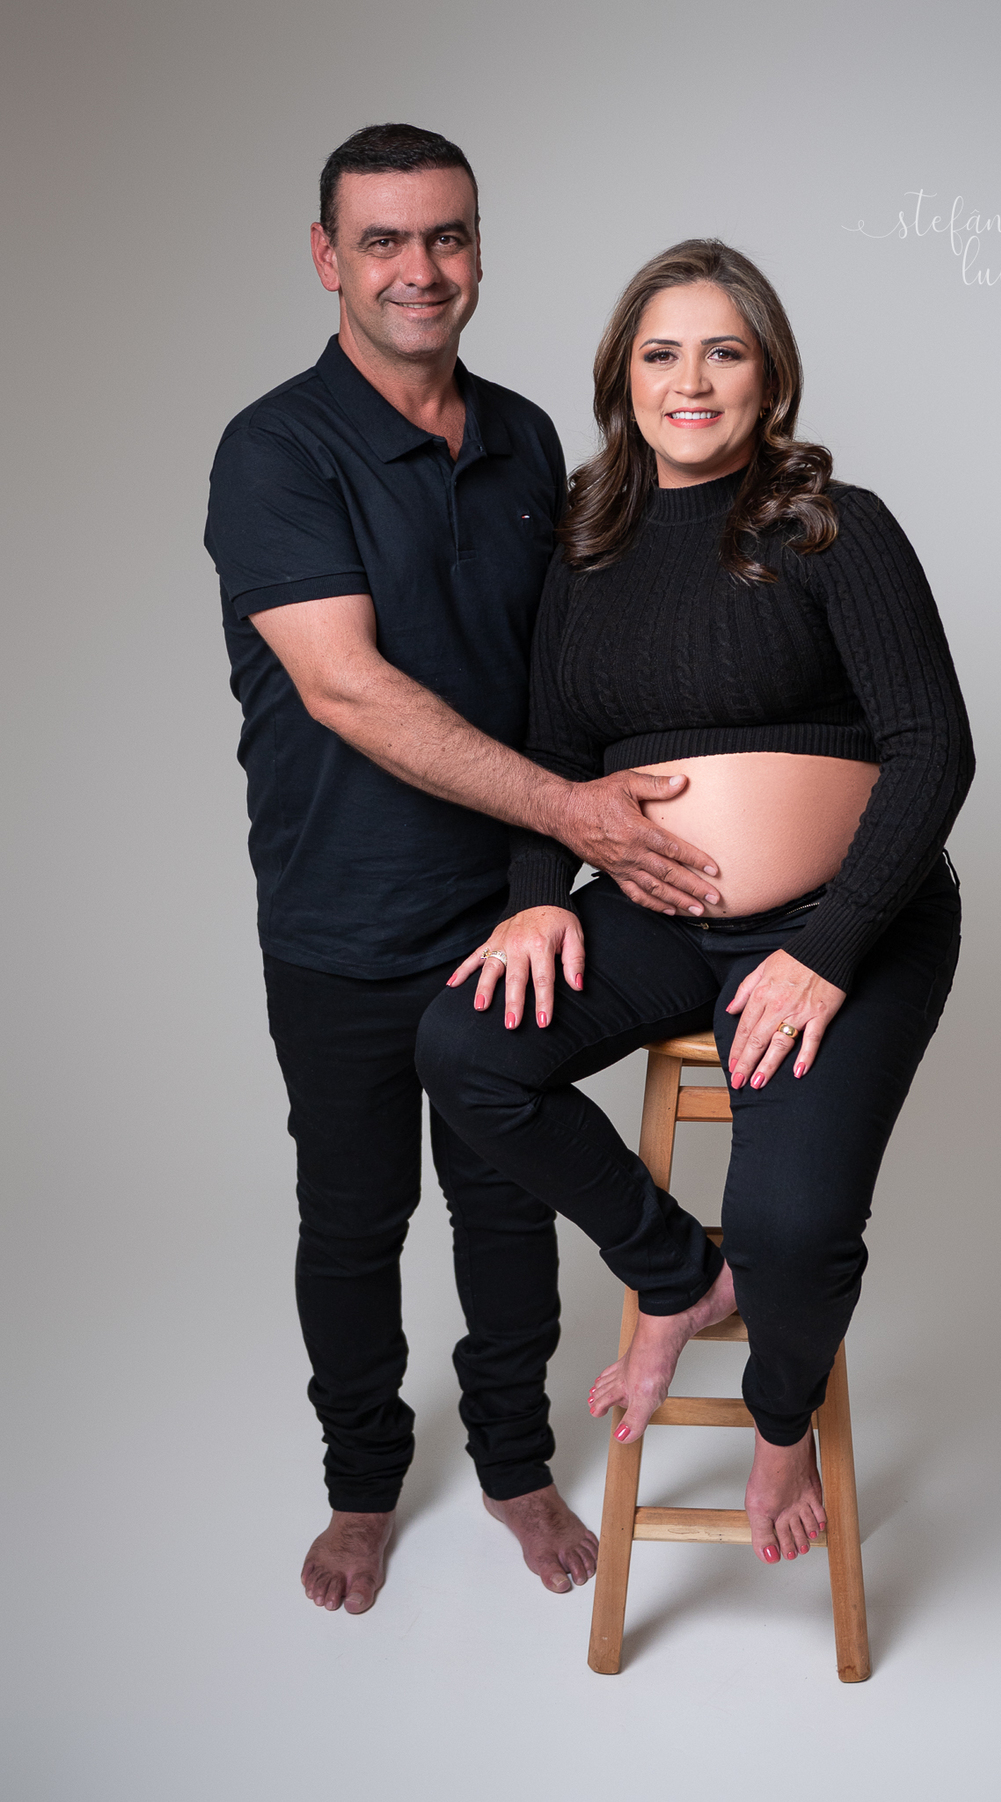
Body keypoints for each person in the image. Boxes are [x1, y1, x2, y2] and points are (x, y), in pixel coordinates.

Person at [204, 128, 731, 1614]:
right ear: (328, 257)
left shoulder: (525, 439)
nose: (418, 269)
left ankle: (513, 1465)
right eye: (382, 240)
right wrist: (578, 815)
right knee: (352, 1219)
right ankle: (363, 1487)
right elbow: (347, 689)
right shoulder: (275, 450)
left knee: (506, 1212)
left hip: (506, 912)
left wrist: (548, 880)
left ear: (480, 251)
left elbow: (556, 679)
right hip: (336, 912)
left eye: (446, 236)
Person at [417, 239, 974, 1567]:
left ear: (768, 374)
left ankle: (782, 1423)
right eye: (662, 353)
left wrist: (830, 949)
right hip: (663, 916)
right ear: (623, 377)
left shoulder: (834, 525)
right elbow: (556, 751)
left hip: (851, 920)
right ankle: (678, 1273)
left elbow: (934, 748)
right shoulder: (586, 545)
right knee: (464, 1047)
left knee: (792, 1223)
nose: (692, 380)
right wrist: (541, 896)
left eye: (724, 351)